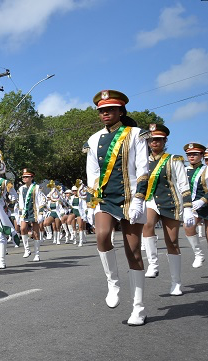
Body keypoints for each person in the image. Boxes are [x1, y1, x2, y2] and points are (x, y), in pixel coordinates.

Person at [86, 89, 149, 326]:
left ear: (121, 110)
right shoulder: (93, 140)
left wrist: (140, 199)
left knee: (133, 252)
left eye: (110, 109)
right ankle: (113, 284)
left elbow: (143, 169)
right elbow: (92, 175)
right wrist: (92, 206)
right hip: (105, 198)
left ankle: (138, 308)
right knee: (102, 236)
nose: (105, 113)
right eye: (102, 110)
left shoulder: (136, 134)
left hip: (131, 197)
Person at [141, 124, 193, 296]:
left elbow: (183, 184)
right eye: (151, 139)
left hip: (170, 201)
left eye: (158, 139)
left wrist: (187, 208)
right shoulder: (142, 161)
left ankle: (176, 282)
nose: (154, 142)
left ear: (165, 141)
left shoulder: (174, 159)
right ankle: (153, 265)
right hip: (151, 201)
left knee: (172, 242)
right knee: (147, 225)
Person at [183, 142, 208, 269]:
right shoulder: (183, 170)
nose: (191, 157)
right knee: (188, 225)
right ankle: (198, 254)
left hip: (206, 203)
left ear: (202, 155)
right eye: (189, 154)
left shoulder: (206, 169)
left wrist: (203, 200)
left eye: (195, 154)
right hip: (193, 206)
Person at [17, 168, 46, 261]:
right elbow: (21, 202)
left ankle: (37, 254)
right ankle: (27, 249)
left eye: (27, 177)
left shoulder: (37, 188)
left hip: (35, 212)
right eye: (23, 177)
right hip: (25, 211)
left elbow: (42, 201)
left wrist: (41, 213)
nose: (24, 178)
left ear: (31, 178)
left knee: (35, 233)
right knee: (22, 228)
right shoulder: (21, 189)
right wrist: (20, 214)